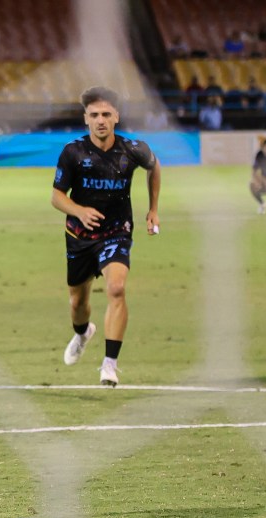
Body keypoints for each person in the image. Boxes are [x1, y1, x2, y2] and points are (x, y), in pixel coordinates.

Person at [51, 86, 161, 386]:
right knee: (77, 302)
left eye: (106, 114)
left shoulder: (133, 149)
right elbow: (57, 196)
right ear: (86, 119)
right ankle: (83, 332)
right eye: (95, 114)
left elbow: (155, 166)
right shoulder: (73, 152)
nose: (101, 120)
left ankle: (110, 364)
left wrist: (153, 209)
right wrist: (78, 210)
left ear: (116, 117)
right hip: (79, 235)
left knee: (116, 289)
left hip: (117, 231)